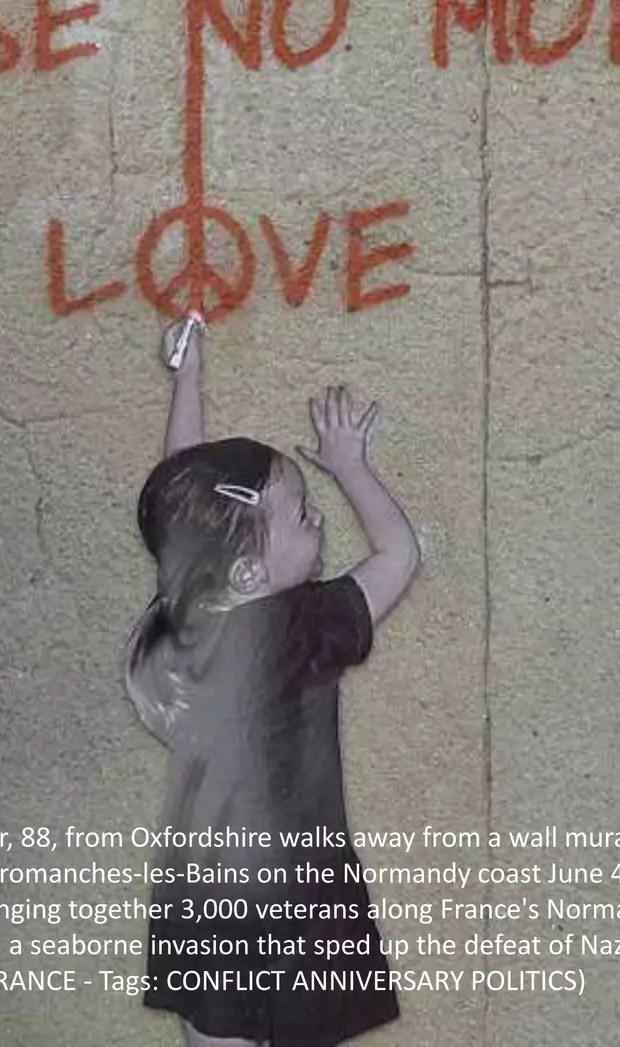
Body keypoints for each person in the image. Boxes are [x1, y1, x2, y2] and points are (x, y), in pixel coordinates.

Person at [125, 315, 422, 1047]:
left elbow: (184, 503)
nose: (317, 520)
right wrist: (350, 467)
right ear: (252, 570)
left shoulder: (186, 620)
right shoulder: (300, 630)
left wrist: (188, 376)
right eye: (303, 515)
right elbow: (398, 554)